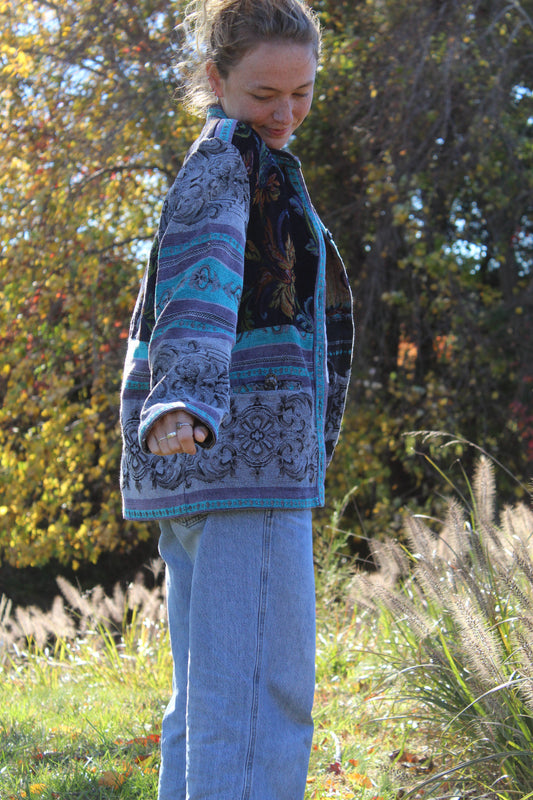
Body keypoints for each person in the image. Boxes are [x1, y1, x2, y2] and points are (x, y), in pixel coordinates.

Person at [119, 0, 353, 797]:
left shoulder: (242, 158)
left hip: (210, 465)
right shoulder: (228, 162)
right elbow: (199, 278)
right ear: (216, 79)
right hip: (235, 460)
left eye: (303, 92)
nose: (285, 112)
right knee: (260, 698)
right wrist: (178, 399)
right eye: (264, 95)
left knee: (215, 698)